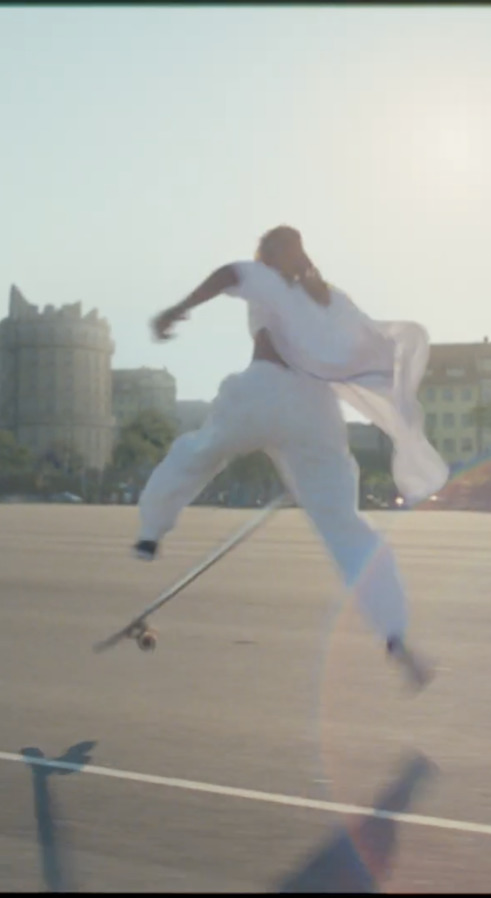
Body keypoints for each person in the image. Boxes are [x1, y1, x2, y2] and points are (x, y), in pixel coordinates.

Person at [135, 225, 448, 690]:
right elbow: (369, 341)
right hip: (315, 415)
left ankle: (150, 532)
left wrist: (177, 311)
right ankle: (395, 634)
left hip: (263, 393)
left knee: (200, 452)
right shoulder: (329, 299)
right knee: (345, 524)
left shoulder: (267, 278)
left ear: (267, 254)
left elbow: (227, 274)